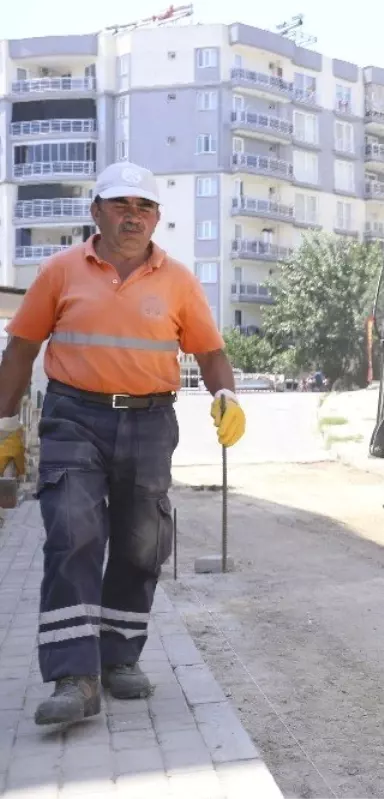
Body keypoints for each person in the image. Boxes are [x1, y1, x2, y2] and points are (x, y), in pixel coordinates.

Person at [0, 160, 247, 726]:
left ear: (156, 218)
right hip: (74, 417)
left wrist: (227, 395)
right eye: (121, 206)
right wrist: (5, 425)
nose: (133, 217)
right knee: (72, 531)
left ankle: (118, 660)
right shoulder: (61, 271)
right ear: (96, 212)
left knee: (142, 544)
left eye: (144, 208)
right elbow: (19, 352)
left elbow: (209, 352)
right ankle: (73, 677)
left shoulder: (179, 280)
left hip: (150, 421)